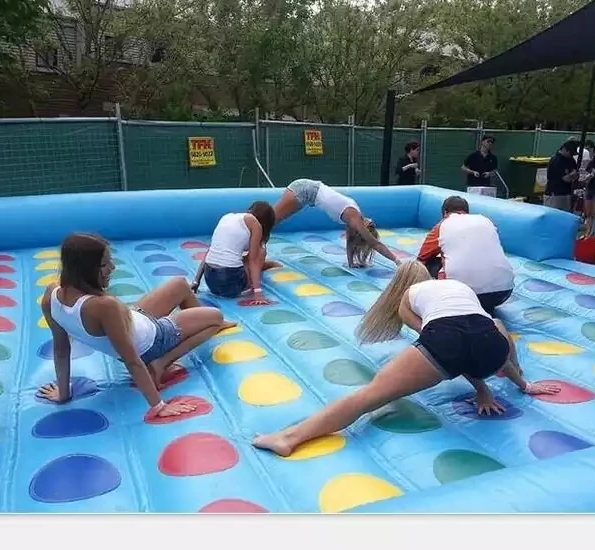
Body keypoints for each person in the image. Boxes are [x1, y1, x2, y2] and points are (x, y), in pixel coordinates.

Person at [252, 260, 560, 457]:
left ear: (401, 283)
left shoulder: (409, 295)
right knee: (491, 327)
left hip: (449, 340)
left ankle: (290, 437)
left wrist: (479, 385)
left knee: (368, 397)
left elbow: (445, 341)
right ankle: (521, 381)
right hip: (493, 348)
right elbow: (472, 334)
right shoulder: (458, 287)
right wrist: (516, 383)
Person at [37, 233, 234, 418]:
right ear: (87, 270)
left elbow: (61, 348)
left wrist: (64, 394)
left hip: (134, 321)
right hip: (155, 339)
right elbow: (132, 360)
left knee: (180, 285)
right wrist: (159, 407)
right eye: (105, 264)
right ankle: (161, 363)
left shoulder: (51, 296)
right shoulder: (103, 306)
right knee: (215, 317)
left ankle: (196, 323)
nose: (113, 268)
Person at [416, 195, 521, 374]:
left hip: (464, 294)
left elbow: (421, 258)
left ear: (445, 213)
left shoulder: (443, 225)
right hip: (503, 291)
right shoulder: (486, 221)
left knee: (430, 264)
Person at [272, 178, 400, 268]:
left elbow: (350, 241)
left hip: (307, 192)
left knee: (274, 220)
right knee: (271, 219)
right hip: (304, 190)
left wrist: (351, 263)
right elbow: (375, 244)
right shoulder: (355, 219)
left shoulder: (354, 218)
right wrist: (397, 261)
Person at [191, 201, 279, 305]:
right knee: (260, 250)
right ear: (265, 223)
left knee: (232, 254)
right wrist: (258, 294)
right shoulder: (255, 224)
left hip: (210, 281)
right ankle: (268, 267)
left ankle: (269, 265)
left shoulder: (227, 217)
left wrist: (196, 282)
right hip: (231, 284)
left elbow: (209, 253)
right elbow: (253, 260)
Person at [543, 139, 579, 212]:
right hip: (555, 194)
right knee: (553, 215)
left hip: (567, 193)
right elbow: (565, 179)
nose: (571, 155)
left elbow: (576, 175)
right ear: (564, 149)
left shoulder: (571, 160)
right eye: (570, 153)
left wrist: (573, 175)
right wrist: (572, 174)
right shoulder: (556, 160)